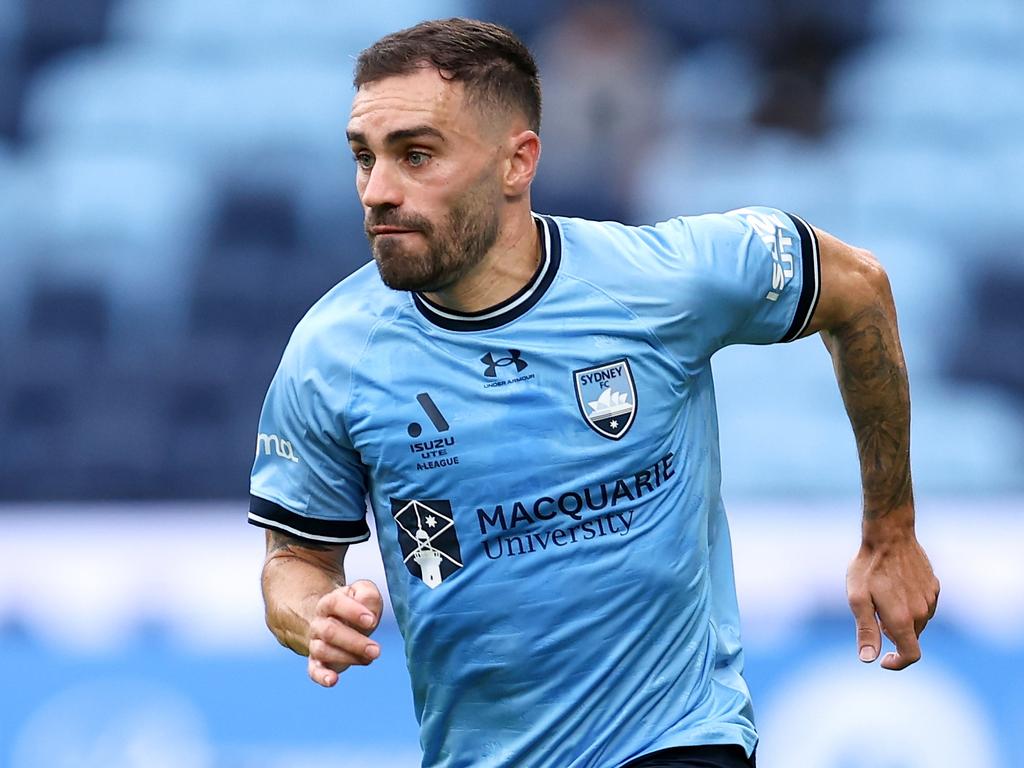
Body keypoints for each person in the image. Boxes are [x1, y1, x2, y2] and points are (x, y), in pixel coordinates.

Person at [249, 18, 939, 768]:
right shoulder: (331, 354)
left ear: (518, 163)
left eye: (416, 155)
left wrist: (891, 530)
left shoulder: (657, 281)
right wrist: (312, 613)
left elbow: (856, 287)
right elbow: (296, 558)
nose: (378, 191)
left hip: (676, 740)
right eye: (364, 157)